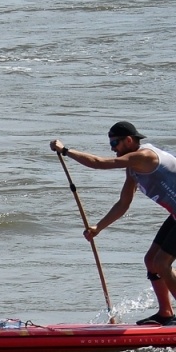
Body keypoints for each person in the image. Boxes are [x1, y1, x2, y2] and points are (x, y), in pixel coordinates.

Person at [52, 123, 176, 326]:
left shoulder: (144, 156)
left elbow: (99, 163)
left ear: (129, 140)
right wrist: (98, 228)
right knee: (151, 261)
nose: (112, 148)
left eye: (114, 143)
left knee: (162, 263)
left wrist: (65, 151)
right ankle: (166, 313)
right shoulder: (133, 169)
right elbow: (123, 203)